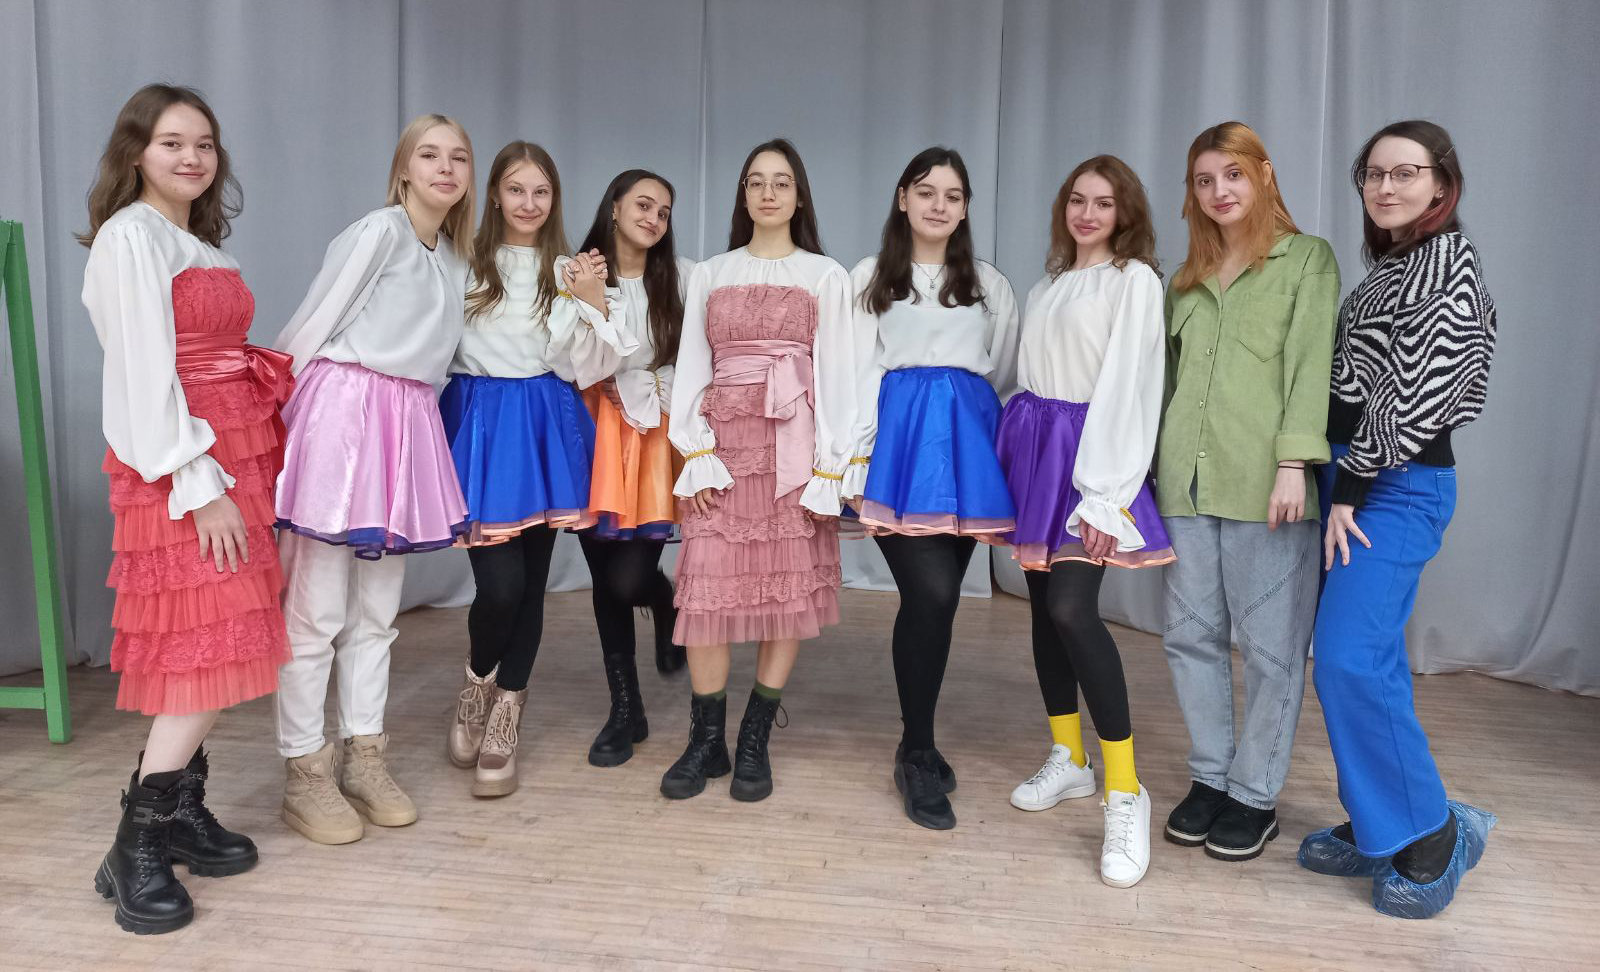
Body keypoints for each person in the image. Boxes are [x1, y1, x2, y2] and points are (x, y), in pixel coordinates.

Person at [81, 83, 291, 934]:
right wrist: (196, 482)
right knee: (207, 648)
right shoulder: (131, 236)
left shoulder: (193, 243)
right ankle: (134, 845)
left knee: (223, 641)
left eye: (203, 143)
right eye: (172, 142)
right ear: (137, 152)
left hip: (235, 453)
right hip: (186, 465)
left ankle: (178, 811)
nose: (192, 157)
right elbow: (139, 376)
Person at [1299, 120, 1498, 919]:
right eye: (1373, 174)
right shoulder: (1397, 262)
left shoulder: (1448, 262)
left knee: (1350, 659)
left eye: (1405, 173)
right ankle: (1383, 823)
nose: (1385, 187)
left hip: (1393, 484)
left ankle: (1435, 835)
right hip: (1350, 475)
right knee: (1361, 661)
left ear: (1442, 183)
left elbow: (1417, 392)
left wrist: (1349, 486)